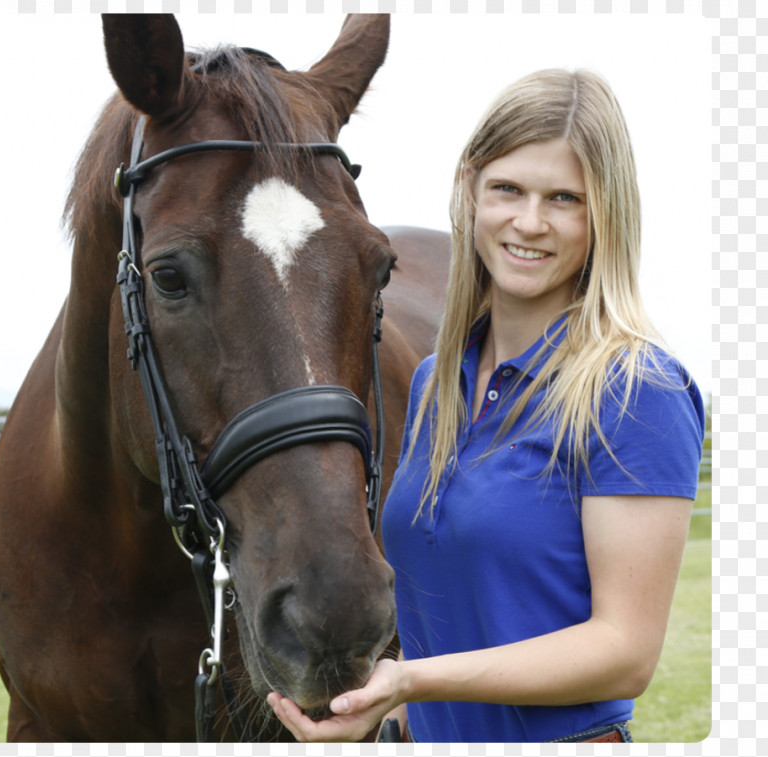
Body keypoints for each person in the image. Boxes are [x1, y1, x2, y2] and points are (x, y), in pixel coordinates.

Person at [267, 68, 705, 743]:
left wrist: (414, 678)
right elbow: (466, 615)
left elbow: (625, 651)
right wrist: (382, 705)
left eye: (565, 198)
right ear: (470, 188)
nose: (529, 222)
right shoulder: (436, 384)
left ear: (605, 214)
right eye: (508, 189)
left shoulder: (637, 389)